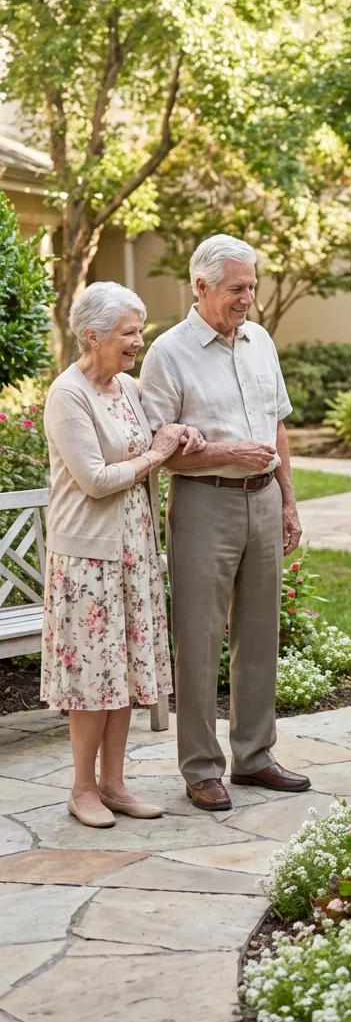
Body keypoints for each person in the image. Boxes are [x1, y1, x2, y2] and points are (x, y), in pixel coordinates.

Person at [139, 233, 310, 812]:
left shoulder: (260, 341)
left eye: (252, 287)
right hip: (203, 502)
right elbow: (160, 452)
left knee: (260, 634)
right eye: (237, 288)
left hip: (263, 500)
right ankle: (201, 767)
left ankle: (255, 756)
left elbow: (277, 425)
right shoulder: (166, 352)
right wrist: (226, 453)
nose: (248, 299)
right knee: (199, 637)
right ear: (202, 286)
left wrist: (287, 500)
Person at [41, 282, 205, 829]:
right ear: (93, 335)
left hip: (132, 550)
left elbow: (150, 436)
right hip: (87, 558)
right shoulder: (68, 394)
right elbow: (94, 479)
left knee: (124, 671)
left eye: (140, 330)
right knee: (92, 679)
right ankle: (82, 789)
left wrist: (179, 434)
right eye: (129, 332)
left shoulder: (128, 388)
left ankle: (114, 784)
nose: (139, 341)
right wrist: (157, 454)